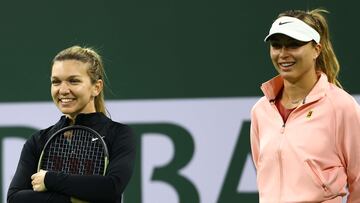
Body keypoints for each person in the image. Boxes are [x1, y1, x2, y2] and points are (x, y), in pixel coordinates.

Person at [250, 8, 360, 202]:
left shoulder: (341, 107)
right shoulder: (261, 110)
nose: (283, 54)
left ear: (316, 49)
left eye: (294, 45)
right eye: (277, 46)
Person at [7, 45, 136, 203]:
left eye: (73, 81)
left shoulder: (119, 134)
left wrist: (49, 180)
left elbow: (111, 187)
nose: (63, 90)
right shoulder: (38, 141)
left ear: (96, 87)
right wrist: (77, 199)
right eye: (56, 82)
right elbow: (15, 198)